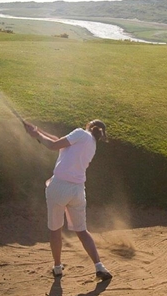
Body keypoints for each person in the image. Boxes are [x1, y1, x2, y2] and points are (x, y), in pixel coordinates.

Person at [23, 118, 112, 281]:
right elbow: (58, 141)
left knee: (55, 229)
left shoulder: (80, 133)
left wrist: (36, 135)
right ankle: (99, 266)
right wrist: (37, 130)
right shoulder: (91, 144)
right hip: (77, 191)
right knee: (82, 231)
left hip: (59, 187)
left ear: (89, 126)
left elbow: (52, 145)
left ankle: (57, 268)